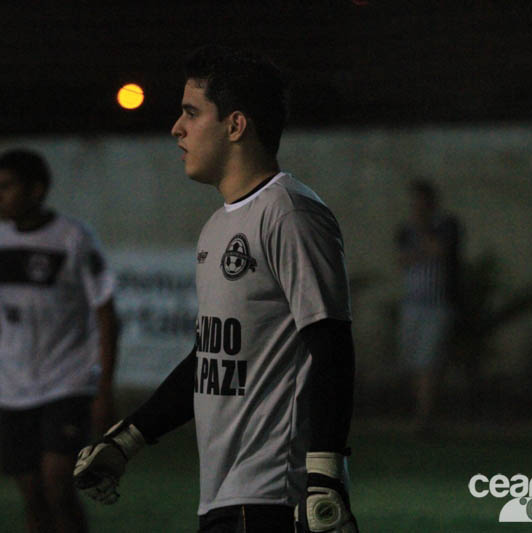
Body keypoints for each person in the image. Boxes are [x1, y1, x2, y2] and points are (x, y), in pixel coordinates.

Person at [73, 45, 358, 533]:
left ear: (236, 125)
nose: (176, 128)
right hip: (225, 496)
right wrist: (127, 439)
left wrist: (325, 478)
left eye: (191, 113)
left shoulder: (289, 213)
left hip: (276, 496)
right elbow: (209, 358)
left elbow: (330, 345)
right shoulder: (217, 227)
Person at [0, 148, 119, 533]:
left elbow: (106, 313)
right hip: (15, 387)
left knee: (57, 484)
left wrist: (103, 390)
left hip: (67, 381)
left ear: (36, 190)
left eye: (7, 187)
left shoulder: (74, 237)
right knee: (32, 494)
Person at [395, 179, 461, 431]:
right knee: (413, 361)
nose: (417, 206)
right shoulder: (405, 229)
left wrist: (422, 237)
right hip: (411, 304)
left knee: (428, 361)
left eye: (422, 201)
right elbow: (402, 260)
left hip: (437, 304)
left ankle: (424, 418)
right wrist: (421, 251)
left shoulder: (446, 225)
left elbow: (439, 250)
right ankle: (422, 412)